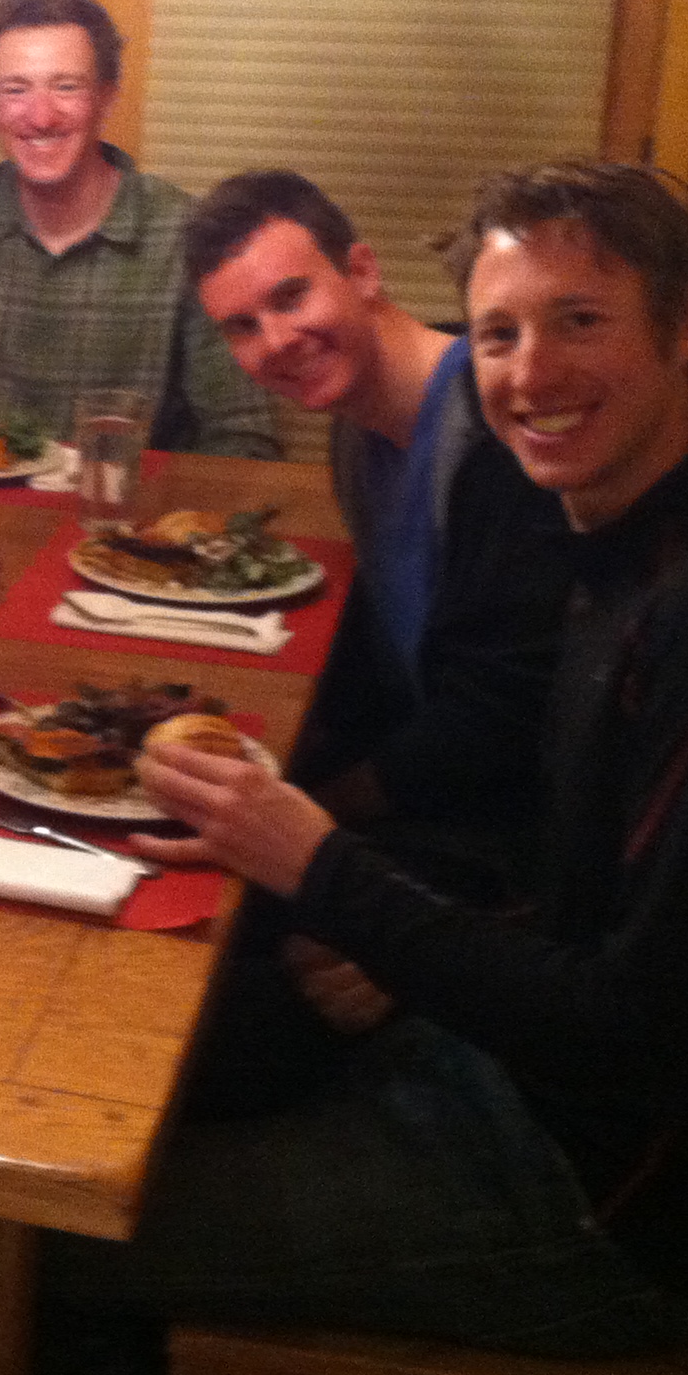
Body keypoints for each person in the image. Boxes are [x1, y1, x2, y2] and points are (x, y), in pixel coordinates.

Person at [39, 164, 688, 1375]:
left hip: (611, 1204)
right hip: (531, 1075)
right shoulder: (625, 548)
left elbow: (642, 1033)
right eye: (501, 334)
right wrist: (402, 932)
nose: (528, 372)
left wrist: (329, 870)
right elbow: (589, 892)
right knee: (171, 1073)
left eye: (581, 321)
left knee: (53, 1234)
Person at [182, 169, 571, 877]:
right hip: (433, 795)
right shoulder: (355, 434)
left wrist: (317, 813)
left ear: (362, 271)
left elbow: (497, 723)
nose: (275, 340)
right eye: (242, 326)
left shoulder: (495, 434)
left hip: (509, 843)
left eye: (291, 297)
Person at [0, 0, 279, 457]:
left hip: (126, 502)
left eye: (66, 87)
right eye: (15, 90)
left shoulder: (185, 235)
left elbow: (244, 436)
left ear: (107, 97)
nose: (41, 116)